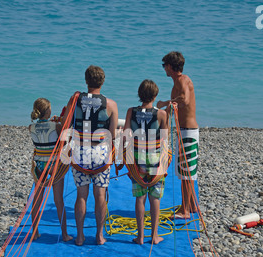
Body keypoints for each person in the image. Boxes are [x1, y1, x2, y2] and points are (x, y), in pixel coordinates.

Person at [62, 65, 118, 245]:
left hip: (80, 152)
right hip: (100, 152)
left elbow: (66, 124)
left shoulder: (75, 100)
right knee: (100, 195)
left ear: (86, 81)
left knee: (81, 195)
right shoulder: (111, 104)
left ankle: (79, 236)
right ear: (102, 82)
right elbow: (112, 135)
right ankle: (99, 235)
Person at [123, 80, 169, 245]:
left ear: (139, 95)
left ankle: (140, 236)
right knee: (155, 198)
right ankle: (154, 235)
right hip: (155, 160)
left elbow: (126, 136)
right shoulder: (162, 115)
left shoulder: (131, 112)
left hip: (137, 160)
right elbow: (165, 139)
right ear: (155, 96)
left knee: (140, 198)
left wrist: (123, 160)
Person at [157, 51, 199, 219]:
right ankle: (192, 205)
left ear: (169, 66)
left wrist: (163, 103)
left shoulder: (183, 80)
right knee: (186, 170)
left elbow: (185, 99)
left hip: (188, 132)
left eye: (164, 66)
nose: (164, 69)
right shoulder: (179, 81)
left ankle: (185, 211)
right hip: (184, 131)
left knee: (185, 172)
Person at [29, 98, 72, 242]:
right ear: (48, 110)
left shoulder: (31, 127)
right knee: (58, 200)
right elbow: (64, 142)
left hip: (39, 165)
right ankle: (65, 234)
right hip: (54, 165)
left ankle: (35, 232)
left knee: (37, 199)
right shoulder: (56, 126)